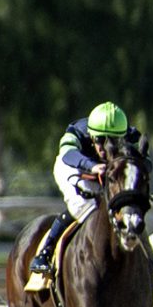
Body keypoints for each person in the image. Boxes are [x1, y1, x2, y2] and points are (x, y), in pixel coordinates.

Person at [27, 101, 144, 289]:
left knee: (128, 208)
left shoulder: (131, 137)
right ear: (91, 135)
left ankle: (148, 258)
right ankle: (46, 253)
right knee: (85, 205)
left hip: (107, 172)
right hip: (75, 168)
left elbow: (144, 163)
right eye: (100, 140)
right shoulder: (76, 132)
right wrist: (91, 165)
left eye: (114, 141)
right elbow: (68, 155)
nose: (106, 147)